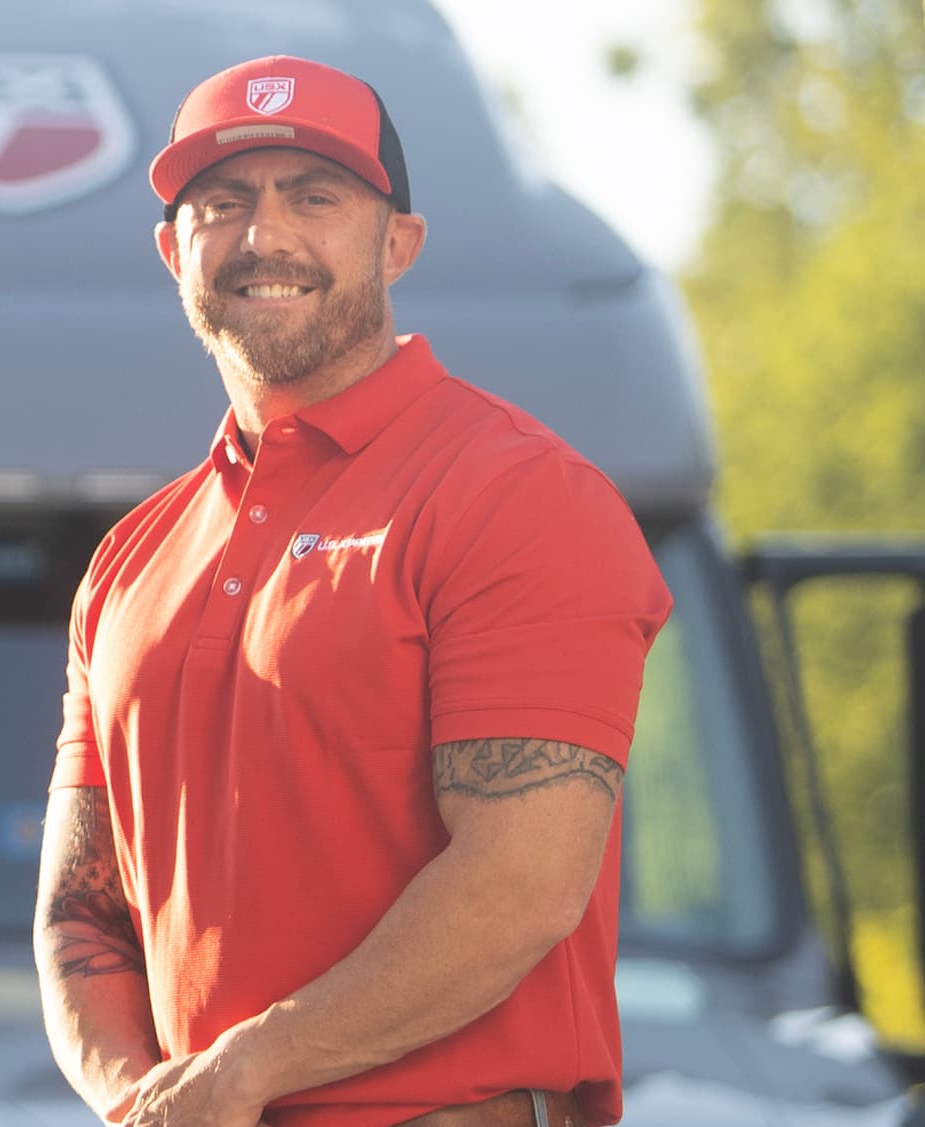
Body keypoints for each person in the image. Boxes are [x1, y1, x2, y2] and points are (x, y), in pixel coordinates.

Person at [33, 56, 673, 1127]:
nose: (264, 234)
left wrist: (245, 1070)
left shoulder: (518, 494)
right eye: (222, 201)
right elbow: (79, 909)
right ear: (173, 250)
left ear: (398, 243)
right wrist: (141, 1100)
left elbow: (522, 883)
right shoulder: (127, 560)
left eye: (314, 196)